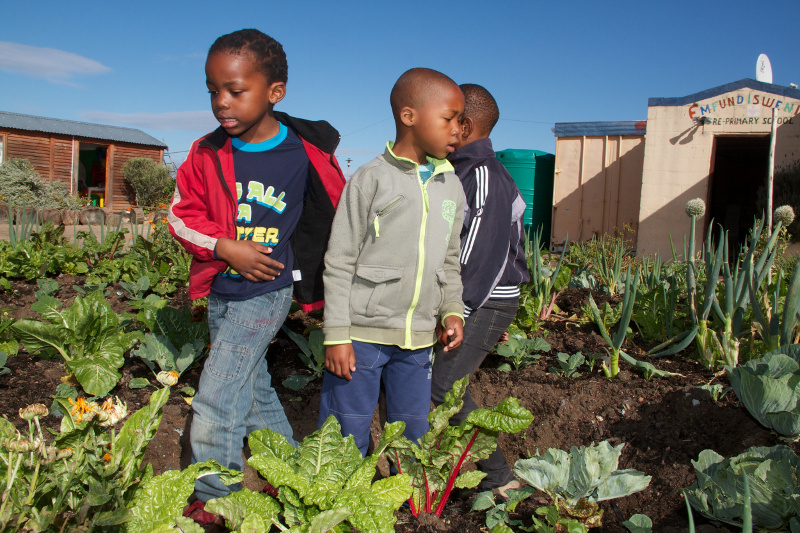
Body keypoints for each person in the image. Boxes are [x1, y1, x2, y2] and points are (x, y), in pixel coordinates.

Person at [167, 28, 346, 522]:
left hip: (267, 289)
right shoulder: (205, 154)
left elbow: (334, 212)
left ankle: (214, 499)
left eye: (235, 90)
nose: (221, 102)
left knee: (216, 396)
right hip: (222, 287)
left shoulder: (304, 152)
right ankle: (287, 470)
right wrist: (224, 247)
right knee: (252, 387)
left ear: (275, 92)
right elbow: (180, 217)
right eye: (212, 90)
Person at [319, 68, 466, 455]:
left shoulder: (452, 185)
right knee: (344, 433)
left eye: (461, 121)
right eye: (449, 118)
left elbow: (450, 261)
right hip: (361, 337)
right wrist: (336, 334)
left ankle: (408, 509)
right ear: (409, 116)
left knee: (412, 435)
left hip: (418, 341)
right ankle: (340, 508)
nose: (458, 130)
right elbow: (339, 260)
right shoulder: (370, 179)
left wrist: (452, 310)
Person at [430, 83, 530, 498]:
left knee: (442, 387)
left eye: (448, 117)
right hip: (472, 301)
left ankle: (500, 478)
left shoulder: (484, 175)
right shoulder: (459, 171)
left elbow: (476, 257)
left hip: (483, 301)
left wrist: (458, 311)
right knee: (451, 383)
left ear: (465, 124)